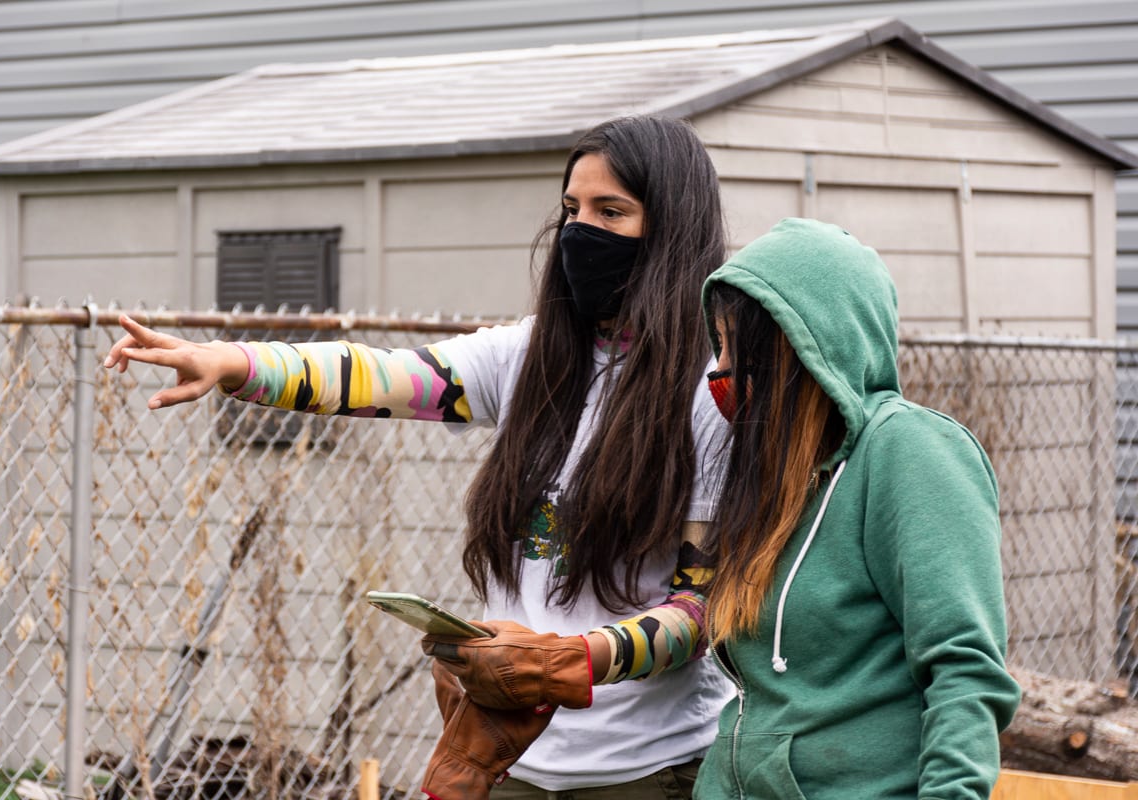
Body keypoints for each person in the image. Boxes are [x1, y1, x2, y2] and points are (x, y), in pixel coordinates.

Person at [103, 115, 734, 798]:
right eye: (570, 210)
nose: (580, 232)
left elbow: (702, 609)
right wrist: (234, 363)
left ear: (672, 230)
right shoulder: (529, 356)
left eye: (611, 212)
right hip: (508, 759)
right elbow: (376, 377)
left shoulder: (712, 390)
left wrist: (569, 662)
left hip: (646, 769)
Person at [694, 217, 1021, 800]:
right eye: (716, 344)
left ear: (807, 341)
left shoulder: (908, 451)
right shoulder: (779, 477)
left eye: (736, 344)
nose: (719, 368)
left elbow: (965, 671)